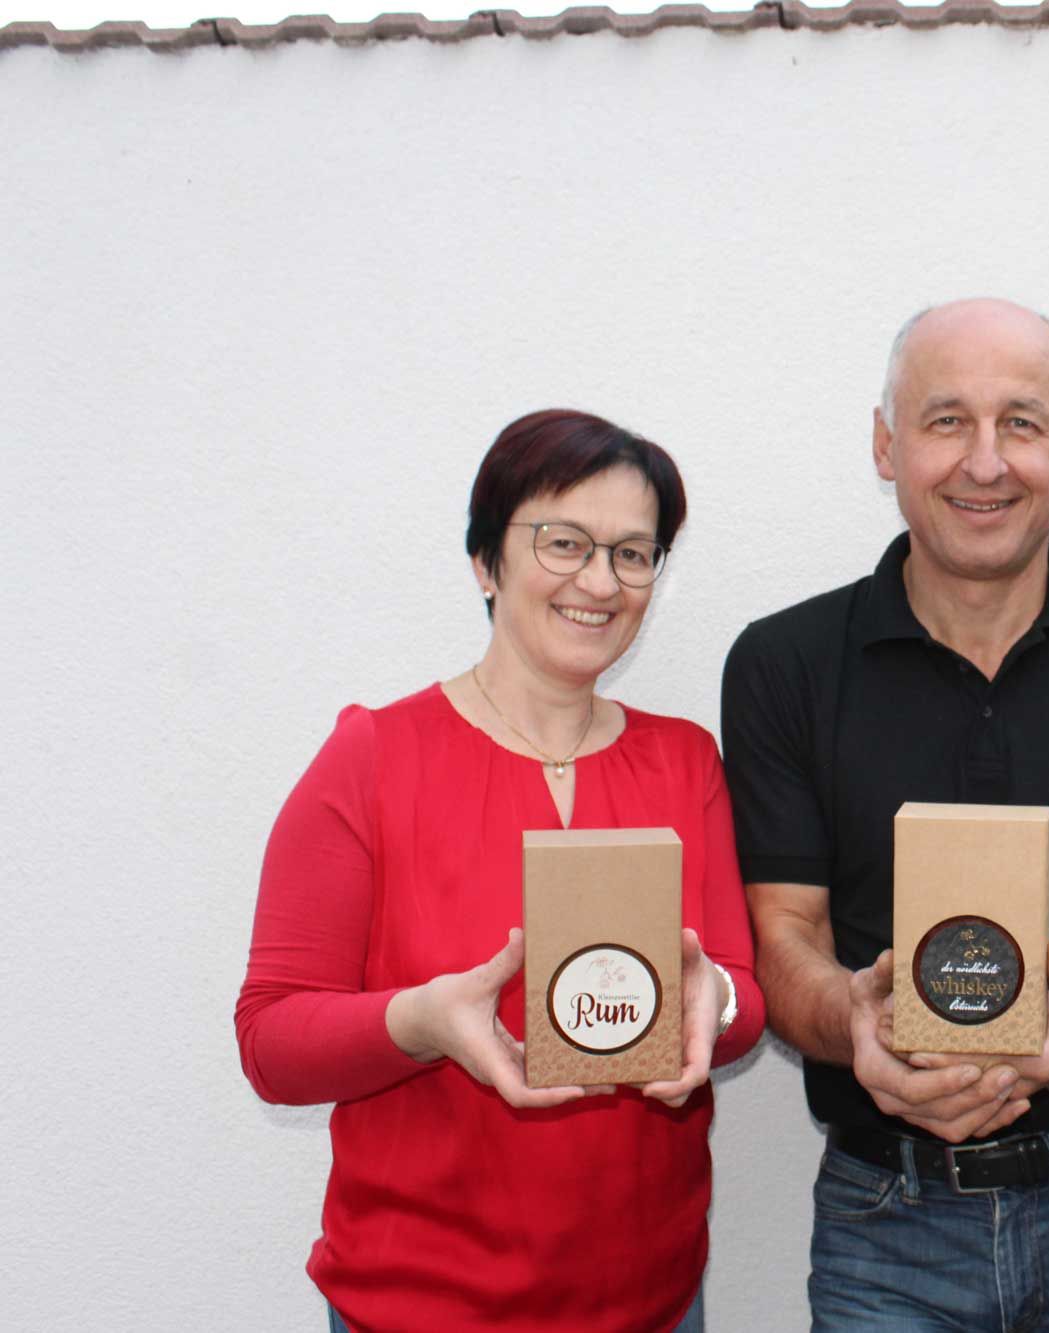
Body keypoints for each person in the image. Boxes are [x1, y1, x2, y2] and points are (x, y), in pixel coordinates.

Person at [721, 298, 1049, 1330]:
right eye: (945, 419)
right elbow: (782, 938)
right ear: (885, 441)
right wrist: (857, 1033)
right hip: (885, 1218)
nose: (984, 461)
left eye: (1020, 422)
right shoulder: (782, 665)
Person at [234, 409, 764, 1333]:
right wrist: (422, 1020)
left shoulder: (685, 762)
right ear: (486, 560)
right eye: (565, 542)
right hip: (414, 1308)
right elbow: (272, 1041)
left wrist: (709, 999)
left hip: (652, 1303)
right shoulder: (373, 758)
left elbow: (741, 1000)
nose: (600, 581)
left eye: (634, 554)